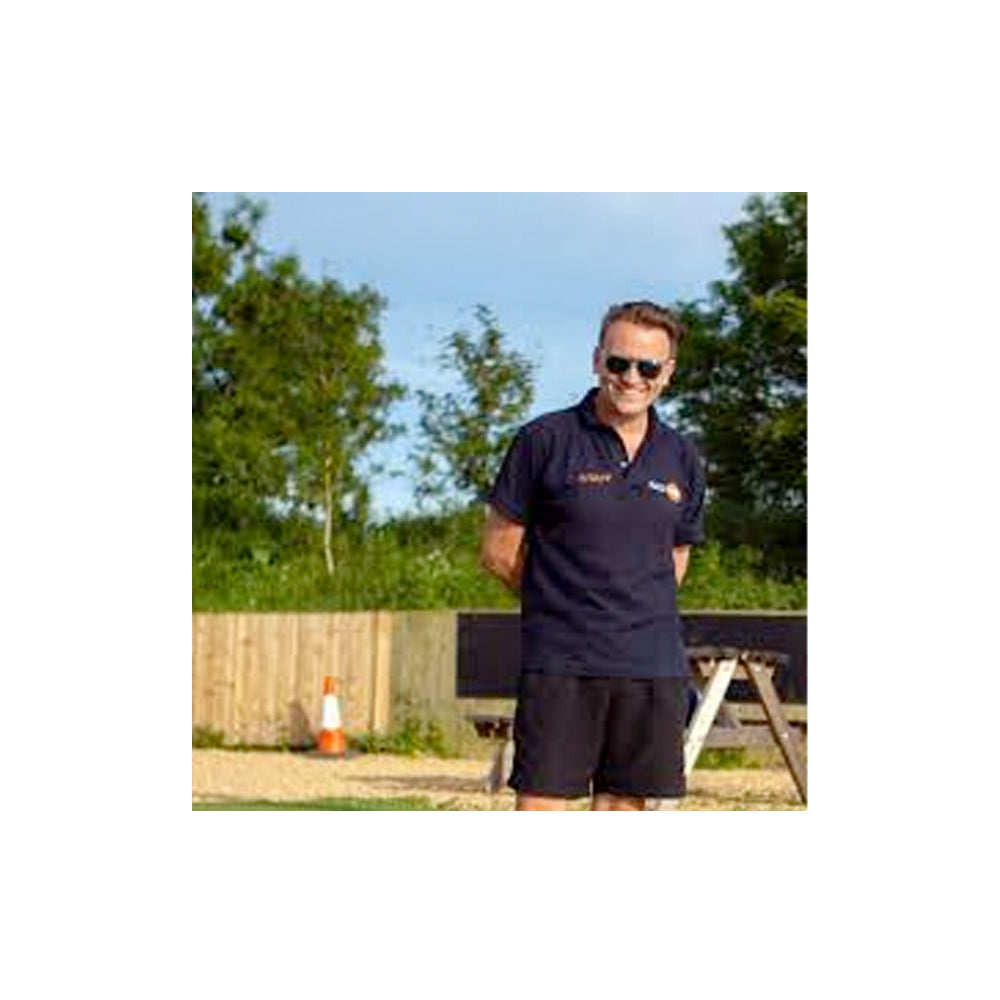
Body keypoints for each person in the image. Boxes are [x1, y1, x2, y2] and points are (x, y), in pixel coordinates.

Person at [480, 300, 705, 811]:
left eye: (647, 367)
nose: (631, 377)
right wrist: (564, 603)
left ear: (666, 374)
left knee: (624, 809)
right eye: (618, 362)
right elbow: (498, 550)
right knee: (541, 806)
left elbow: (675, 559)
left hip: (651, 666)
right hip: (562, 662)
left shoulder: (683, 458)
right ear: (597, 359)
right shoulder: (543, 440)